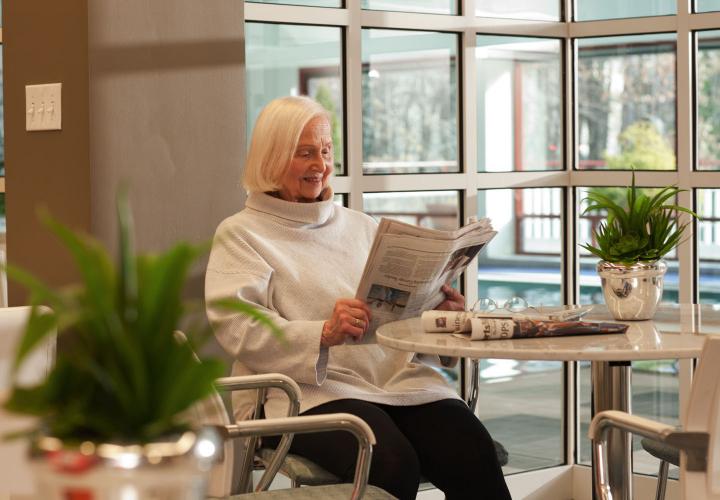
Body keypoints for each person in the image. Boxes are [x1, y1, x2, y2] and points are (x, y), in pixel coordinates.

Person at [205, 96, 511, 500]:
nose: (321, 164)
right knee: (391, 462)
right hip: (307, 394)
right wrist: (323, 333)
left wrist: (440, 316)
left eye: (327, 151)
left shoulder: (362, 226)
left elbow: (397, 315)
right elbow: (237, 326)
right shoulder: (242, 233)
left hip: (396, 381)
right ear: (273, 157)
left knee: (470, 448)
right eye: (306, 153)